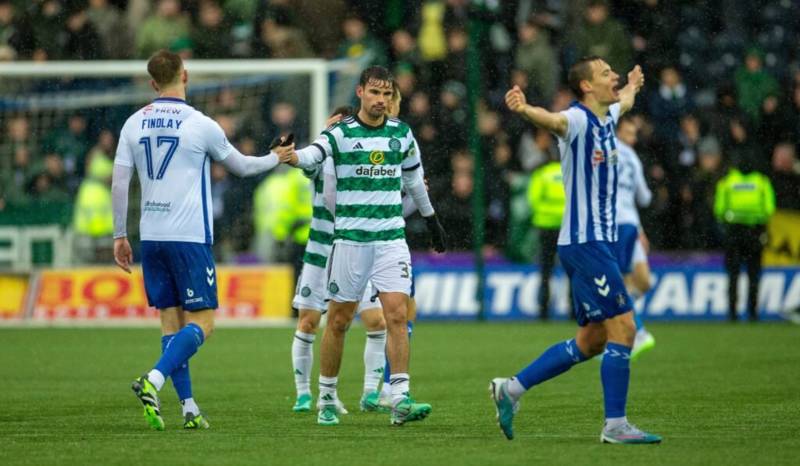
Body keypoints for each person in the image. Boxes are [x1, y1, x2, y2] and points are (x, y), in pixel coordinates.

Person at [112, 49, 293, 431]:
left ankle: (189, 408)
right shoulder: (199, 124)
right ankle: (153, 379)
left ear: (152, 83)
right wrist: (276, 157)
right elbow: (242, 167)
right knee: (204, 324)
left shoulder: (133, 124)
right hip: (188, 238)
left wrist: (119, 235)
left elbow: (119, 182)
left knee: (170, 323)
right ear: (185, 75)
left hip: (151, 237)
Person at [493, 56, 661, 444]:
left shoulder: (608, 116)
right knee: (625, 328)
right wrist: (524, 109)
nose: (613, 76)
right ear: (586, 86)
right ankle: (615, 426)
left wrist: (633, 84)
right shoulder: (579, 120)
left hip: (595, 244)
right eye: (606, 74)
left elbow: (626, 101)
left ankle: (510, 389)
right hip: (586, 244)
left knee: (592, 341)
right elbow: (553, 121)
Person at [281, 65, 447, 426]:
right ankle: (326, 395)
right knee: (338, 321)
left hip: (391, 240)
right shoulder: (340, 133)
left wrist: (431, 219)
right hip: (350, 242)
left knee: (397, 316)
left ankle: (399, 396)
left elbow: (414, 180)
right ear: (360, 93)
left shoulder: (401, 134)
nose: (381, 100)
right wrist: (292, 156)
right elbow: (312, 155)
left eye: (387, 94)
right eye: (375, 92)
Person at [290, 105, 388, 415]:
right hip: (321, 250)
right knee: (309, 322)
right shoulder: (322, 158)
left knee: (377, 321)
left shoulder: (362, 159)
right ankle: (303, 394)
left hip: (357, 247)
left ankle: (370, 393)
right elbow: (306, 164)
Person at [714, 155, 776, 321]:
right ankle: (753, 312)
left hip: (734, 232)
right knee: (754, 274)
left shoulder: (728, 181)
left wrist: (730, 219)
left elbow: (719, 209)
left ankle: (732, 312)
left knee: (733, 274)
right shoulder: (761, 182)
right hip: (755, 231)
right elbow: (770, 209)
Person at [614, 116, 655, 360]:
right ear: (618, 131)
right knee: (643, 281)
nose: (633, 139)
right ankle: (623, 326)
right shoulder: (633, 157)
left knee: (616, 286)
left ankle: (637, 331)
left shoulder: (605, 150)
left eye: (634, 134)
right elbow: (645, 198)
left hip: (614, 223)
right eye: (629, 133)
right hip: (631, 223)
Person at [527, 154, 565, 320]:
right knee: (573, 270)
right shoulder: (569, 173)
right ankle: (575, 311)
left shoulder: (542, 174)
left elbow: (533, 200)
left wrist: (546, 215)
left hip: (546, 226)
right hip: (567, 225)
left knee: (545, 270)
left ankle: (543, 310)